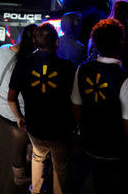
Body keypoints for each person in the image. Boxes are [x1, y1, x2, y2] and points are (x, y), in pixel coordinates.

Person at [72, 18, 128, 194]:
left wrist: (82, 129)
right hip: (116, 146)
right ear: (121, 43)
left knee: (98, 180)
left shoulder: (82, 68)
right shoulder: (126, 79)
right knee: (120, 183)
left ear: (94, 44)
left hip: (90, 142)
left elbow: (77, 104)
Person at [8, 23, 76, 194]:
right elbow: (76, 102)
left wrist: (19, 117)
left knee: (38, 157)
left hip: (34, 126)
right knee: (60, 166)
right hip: (60, 130)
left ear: (34, 41)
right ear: (57, 42)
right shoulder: (68, 67)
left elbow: (11, 97)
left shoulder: (23, 63)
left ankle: (36, 190)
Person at [0, 23, 37, 185]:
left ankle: (29, 154)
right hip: (17, 113)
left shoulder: (2, 50)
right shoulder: (30, 63)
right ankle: (19, 176)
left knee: (23, 137)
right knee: (19, 141)